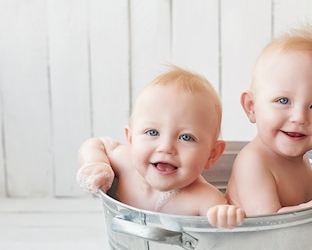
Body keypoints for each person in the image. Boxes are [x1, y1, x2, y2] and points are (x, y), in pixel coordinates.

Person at [77, 66, 245, 229]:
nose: (166, 147)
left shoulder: (205, 199)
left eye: (186, 137)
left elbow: (224, 238)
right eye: (152, 132)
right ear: (131, 139)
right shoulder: (125, 163)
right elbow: (95, 144)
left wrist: (226, 216)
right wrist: (96, 163)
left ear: (212, 155)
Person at [226, 26, 312, 215]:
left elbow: (297, 190)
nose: (299, 118)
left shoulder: (295, 151)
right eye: (283, 101)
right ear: (251, 107)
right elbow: (271, 222)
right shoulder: (253, 163)